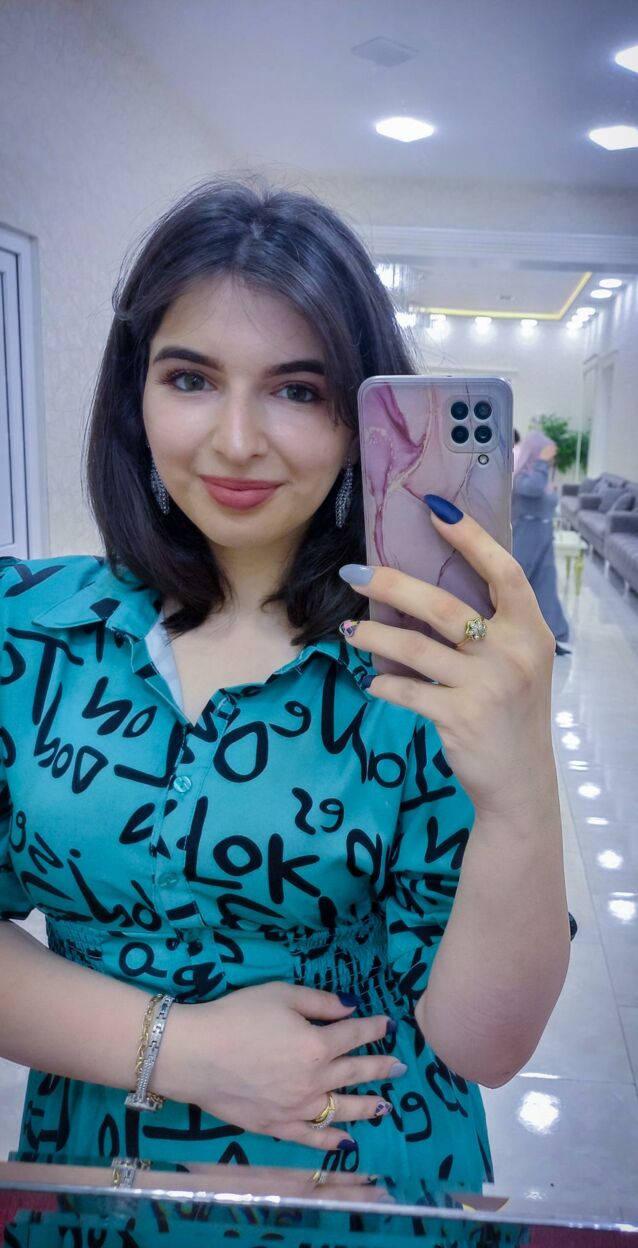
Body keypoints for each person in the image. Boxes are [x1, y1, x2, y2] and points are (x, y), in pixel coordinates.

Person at [0, 179, 570, 1194]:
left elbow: (485, 1044)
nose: (235, 439)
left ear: (359, 421)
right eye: (190, 379)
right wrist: (179, 1050)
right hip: (93, 1185)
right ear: (135, 395)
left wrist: (522, 774)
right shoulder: (30, 632)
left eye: (297, 390)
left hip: (368, 1186)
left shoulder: (421, 663)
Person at [512, 430, 571, 655]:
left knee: (546, 585)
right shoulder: (523, 477)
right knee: (520, 584)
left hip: (544, 535)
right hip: (527, 535)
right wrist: (542, 463)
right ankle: (511, 632)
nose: (551, 458)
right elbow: (532, 489)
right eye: (546, 452)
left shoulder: (541, 476)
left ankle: (551, 635)